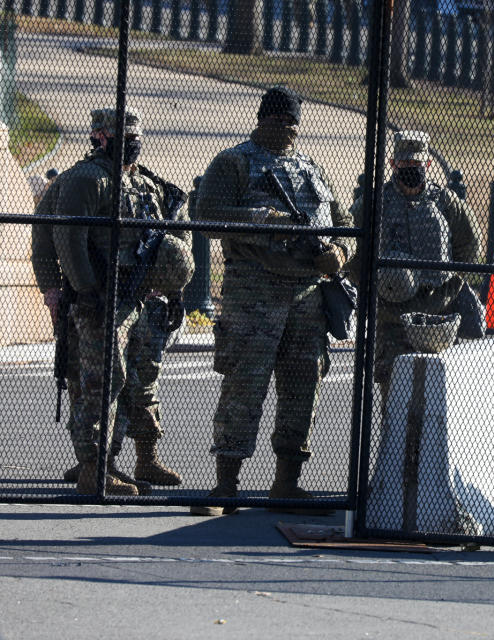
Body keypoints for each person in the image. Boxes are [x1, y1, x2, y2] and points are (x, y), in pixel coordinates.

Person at [191, 86, 355, 516]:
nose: (286, 129)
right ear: (261, 118)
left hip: (307, 297)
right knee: (244, 387)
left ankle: (287, 483)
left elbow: (344, 223)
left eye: (292, 122)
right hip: (253, 293)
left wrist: (338, 253)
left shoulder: (312, 168)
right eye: (277, 120)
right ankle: (225, 486)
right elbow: (206, 216)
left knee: (303, 389)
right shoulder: (234, 163)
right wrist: (265, 222)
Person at [51, 107, 192, 495]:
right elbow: (66, 239)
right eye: (120, 135)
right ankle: (93, 468)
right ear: (98, 136)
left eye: (134, 136)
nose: (130, 143)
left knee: (140, 379)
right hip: (102, 296)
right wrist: (85, 290)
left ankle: (134, 459)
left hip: (143, 298)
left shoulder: (147, 184)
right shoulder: (86, 179)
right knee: (101, 380)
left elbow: (171, 232)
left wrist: (173, 286)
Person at [347, 130, 481, 402]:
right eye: (405, 165)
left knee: (438, 398)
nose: (412, 169)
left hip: (436, 319)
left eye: (417, 165)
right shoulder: (374, 204)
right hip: (391, 320)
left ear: (428, 165)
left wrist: (450, 284)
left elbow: (470, 243)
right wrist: (370, 285)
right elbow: (351, 245)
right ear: (393, 164)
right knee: (394, 398)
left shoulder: (444, 201)